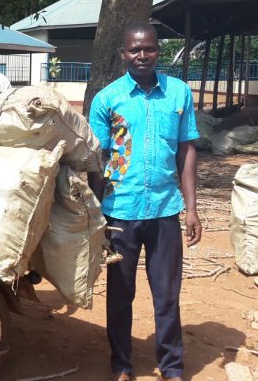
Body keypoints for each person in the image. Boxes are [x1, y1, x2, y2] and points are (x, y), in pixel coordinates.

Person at [88, 22, 201, 381]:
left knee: (167, 295)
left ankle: (171, 366)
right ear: (123, 54)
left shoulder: (179, 94)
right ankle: (121, 364)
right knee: (121, 295)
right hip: (120, 210)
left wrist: (192, 208)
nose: (142, 55)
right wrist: (93, 212)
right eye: (134, 50)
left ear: (158, 51)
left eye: (149, 49)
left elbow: (186, 150)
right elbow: (96, 158)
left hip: (165, 209)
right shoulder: (107, 99)